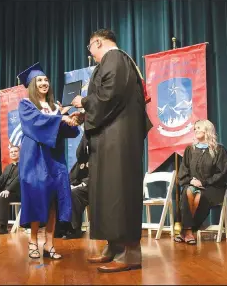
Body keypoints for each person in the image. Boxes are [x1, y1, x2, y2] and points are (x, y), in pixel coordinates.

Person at [71, 29, 152, 273]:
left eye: (90, 48)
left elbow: (110, 95)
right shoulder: (113, 61)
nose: (91, 54)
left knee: (120, 191)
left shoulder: (115, 59)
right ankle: (113, 247)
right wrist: (85, 115)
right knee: (107, 192)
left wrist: (83, 102)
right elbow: (110, 100)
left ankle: (130, 252)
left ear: (98, 42)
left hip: (119, 137)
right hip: (109, 136)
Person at [17, 62, 79, 259]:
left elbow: (65, 128)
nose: (44, 83)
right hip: (34, 156)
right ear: (32, 85)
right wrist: (59, 118)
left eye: (46, 80)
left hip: (54, 157)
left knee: (54, 200)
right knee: (36, 197)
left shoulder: (55, 106)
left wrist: (71, 120)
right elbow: (34, 124)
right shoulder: (26, 105)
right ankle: (33, 241)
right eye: (40, 80)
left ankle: (49, 244)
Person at [174, 119, 227, 245]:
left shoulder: (218, 150)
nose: (196, 130)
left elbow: (222, 173)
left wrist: (203, 183)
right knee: (188, 192)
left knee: (199, 196)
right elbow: (183, 172)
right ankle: (188, 232)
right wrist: (191, 181)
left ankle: (186, 231)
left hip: (212, 187)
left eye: (199, 127)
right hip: (192, 185)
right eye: (195, 129)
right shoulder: (190, 150)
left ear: (207, 130)